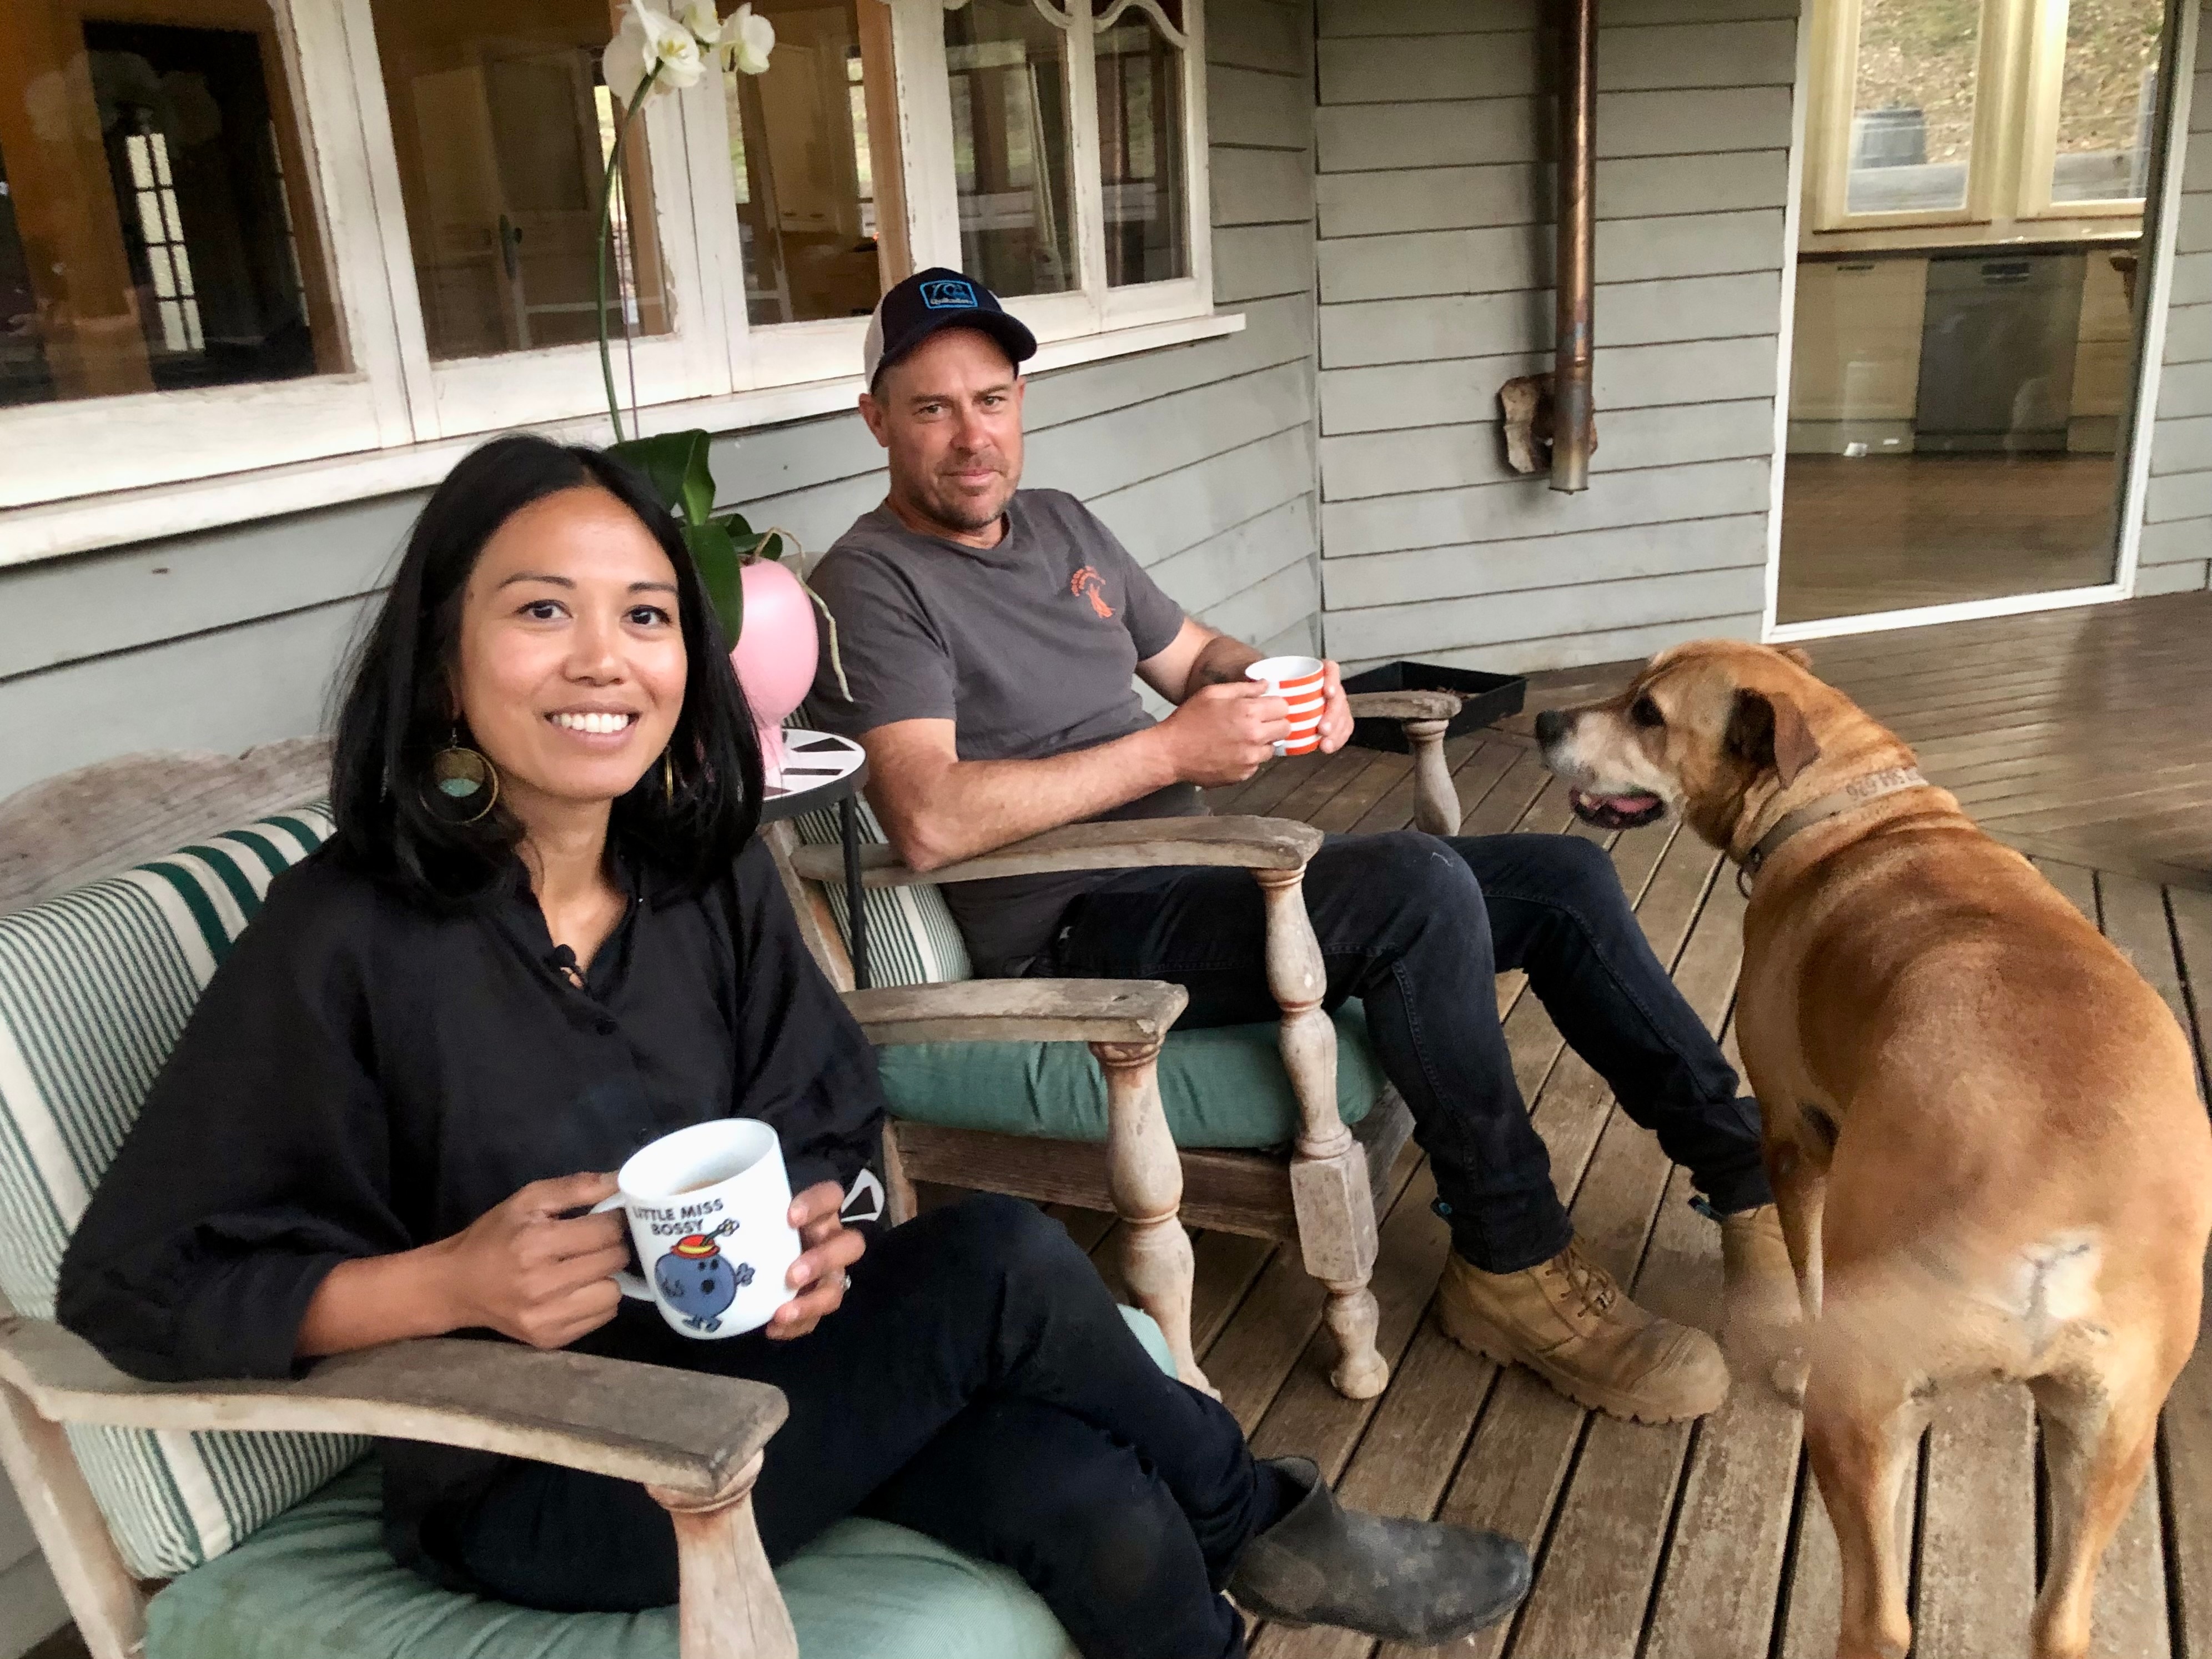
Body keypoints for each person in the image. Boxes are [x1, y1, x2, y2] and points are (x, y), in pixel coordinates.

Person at [54, 434, 1530, 1659]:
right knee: (1007, 1257)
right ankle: (1267, 1517)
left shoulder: (701, 879)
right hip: (546, 1461)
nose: (603, 658)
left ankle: (1231, 1528)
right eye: (539, 610)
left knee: (1089, 1498)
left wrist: (824, 1228)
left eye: (643, 615)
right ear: (444, 663)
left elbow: (818, 1107)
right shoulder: (347, 936)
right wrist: (444, 1280)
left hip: (768, 1369)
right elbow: (132, 1281)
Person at [808, 269, 1799, 1427]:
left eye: (991, 399)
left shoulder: (1064, 525)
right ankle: (1511, 1261)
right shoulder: (872, 585)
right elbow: (929, 816)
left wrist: (1281, 691)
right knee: (1420, 889)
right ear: (876, 419)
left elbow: (1192, 656)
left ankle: (1746, 1182)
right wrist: (1172, 752)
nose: (972, 437)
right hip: (1079, 929)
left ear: (1020, 400)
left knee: (1562, 876)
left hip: (1201, 871)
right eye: (932, 409)